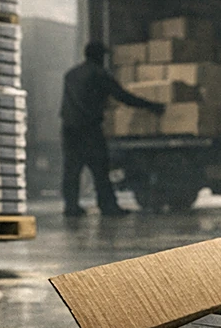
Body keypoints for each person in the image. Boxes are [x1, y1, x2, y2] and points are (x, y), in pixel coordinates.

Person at [61, 42, 166, 217]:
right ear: (99, 56)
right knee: (100, 170)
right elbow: (122, 96)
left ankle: (71, 207)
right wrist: (151, 106)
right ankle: (108, 207)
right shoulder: (99, 74)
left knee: (71, 170)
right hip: (89, 129)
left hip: (68, 128)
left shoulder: (70, 75)